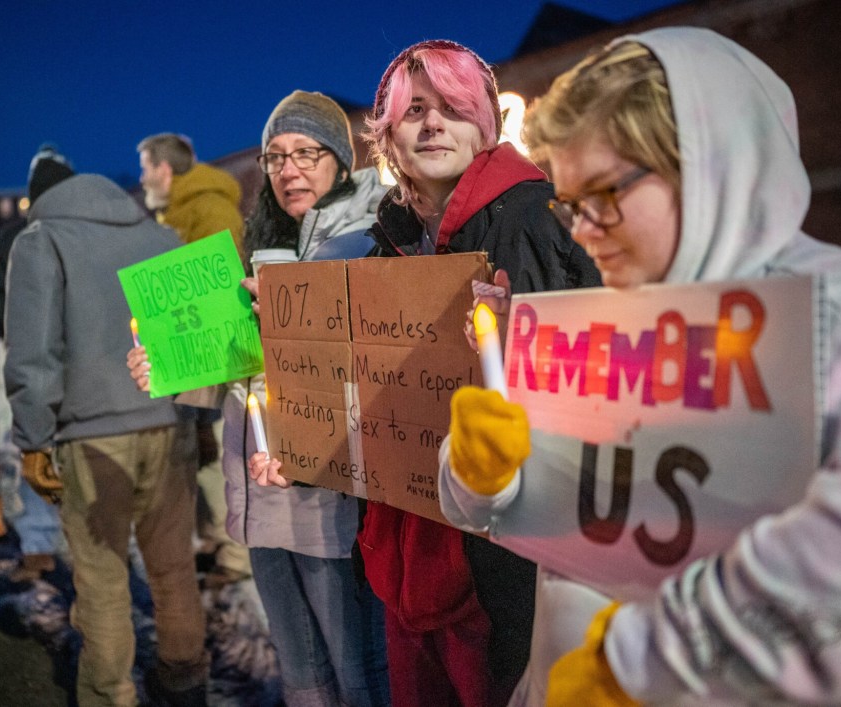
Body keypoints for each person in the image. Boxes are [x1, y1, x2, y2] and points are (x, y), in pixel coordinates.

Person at [439, 27, 841, 705]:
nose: (583, 230)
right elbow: (525, 513)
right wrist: (476, 475)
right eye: (571, 205)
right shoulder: (592, 317)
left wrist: (633, 668)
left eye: (604, 195)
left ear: (705, 169)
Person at [250, 42, 599, 707]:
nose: (434, 124)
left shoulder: (535, 220)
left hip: (499, 575)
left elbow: (584, 397)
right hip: (407, 557)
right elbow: (369, 389)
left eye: (453, 108)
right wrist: (303, 445)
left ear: (485, 122)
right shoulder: (386, 240)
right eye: (415, 112)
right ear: (388, 136)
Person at [133, 90, 391, 707]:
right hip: (261, 487)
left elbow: (383, 367)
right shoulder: (261, 243)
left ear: (340, 159)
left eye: (306, 152)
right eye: (275, 156)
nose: (288, 170)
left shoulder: (370, 240)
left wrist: (295, 324)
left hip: (333, 501)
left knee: (357, 665)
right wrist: (167, 368)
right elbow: (238, 365)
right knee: (298, 662)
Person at [5, 171, 208, 706]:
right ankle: (185, 679)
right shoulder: (161, 236)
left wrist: (32, 439)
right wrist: (202, 422)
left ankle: (110, 694)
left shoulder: (42, 239)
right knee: (173, 566)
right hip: (171, 423)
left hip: (92, 436)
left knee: (102, 580)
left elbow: (34, 351)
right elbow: (195, 339)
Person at [136, 131, 251, 588]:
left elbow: (219, 285)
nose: (142, 178)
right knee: (201, 454)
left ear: (164, 170)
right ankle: (216, 540)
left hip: (215, 357)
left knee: (223, 451)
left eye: (145, 168)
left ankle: (237, 555)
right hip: (189, 353)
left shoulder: (209, 207)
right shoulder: (181, 210)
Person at [0, 146, 73, 581]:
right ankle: (38, 543)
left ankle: (72, 540)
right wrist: (24, 319)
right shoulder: (16, 238)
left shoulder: (83, 236)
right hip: (32, 363)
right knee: (34, 447)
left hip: (78, 365)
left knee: (69, 450)